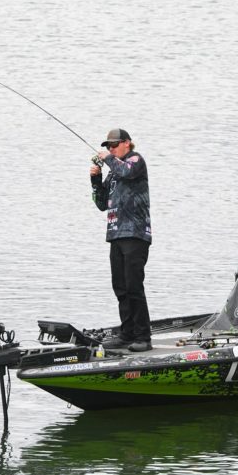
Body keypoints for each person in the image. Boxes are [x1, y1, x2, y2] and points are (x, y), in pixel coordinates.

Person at [89, 129, 153, 352]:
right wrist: (95, 178)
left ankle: (143, 337)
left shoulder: (135, 161)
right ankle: (127, 334)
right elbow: (101, 203)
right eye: (108, 147)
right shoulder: (113, 171)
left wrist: (108, 159)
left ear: (127, 143)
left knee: (134, 286)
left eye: (114, 145)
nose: (110, 149)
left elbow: (126, 172)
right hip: (115, 234)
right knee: (121, 287)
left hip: (135, 233)